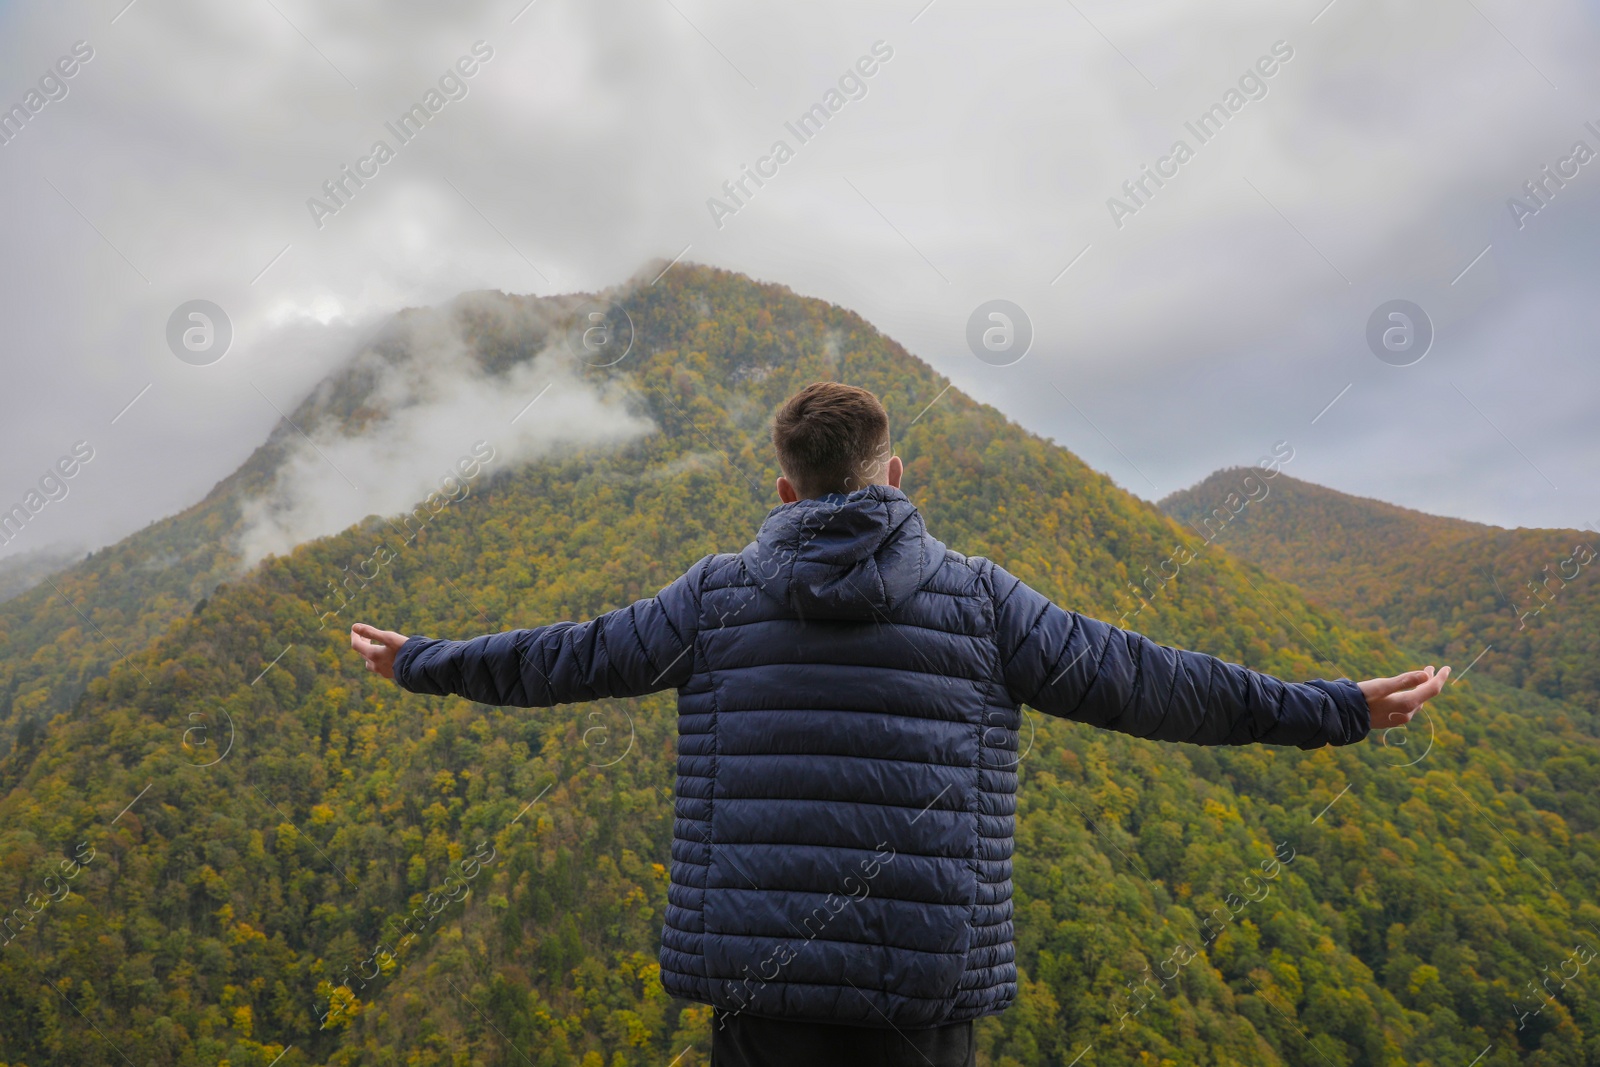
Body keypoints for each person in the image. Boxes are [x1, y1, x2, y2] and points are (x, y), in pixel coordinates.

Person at [351, 381, 1449, 1067]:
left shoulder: (712, 596)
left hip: (762, 984)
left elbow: (566, 656)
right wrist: (1334, 709)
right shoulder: (981, 599)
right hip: (917, 991)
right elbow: (1152, 683)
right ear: (894, 473)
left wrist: (427, 662)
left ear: (784, 491)